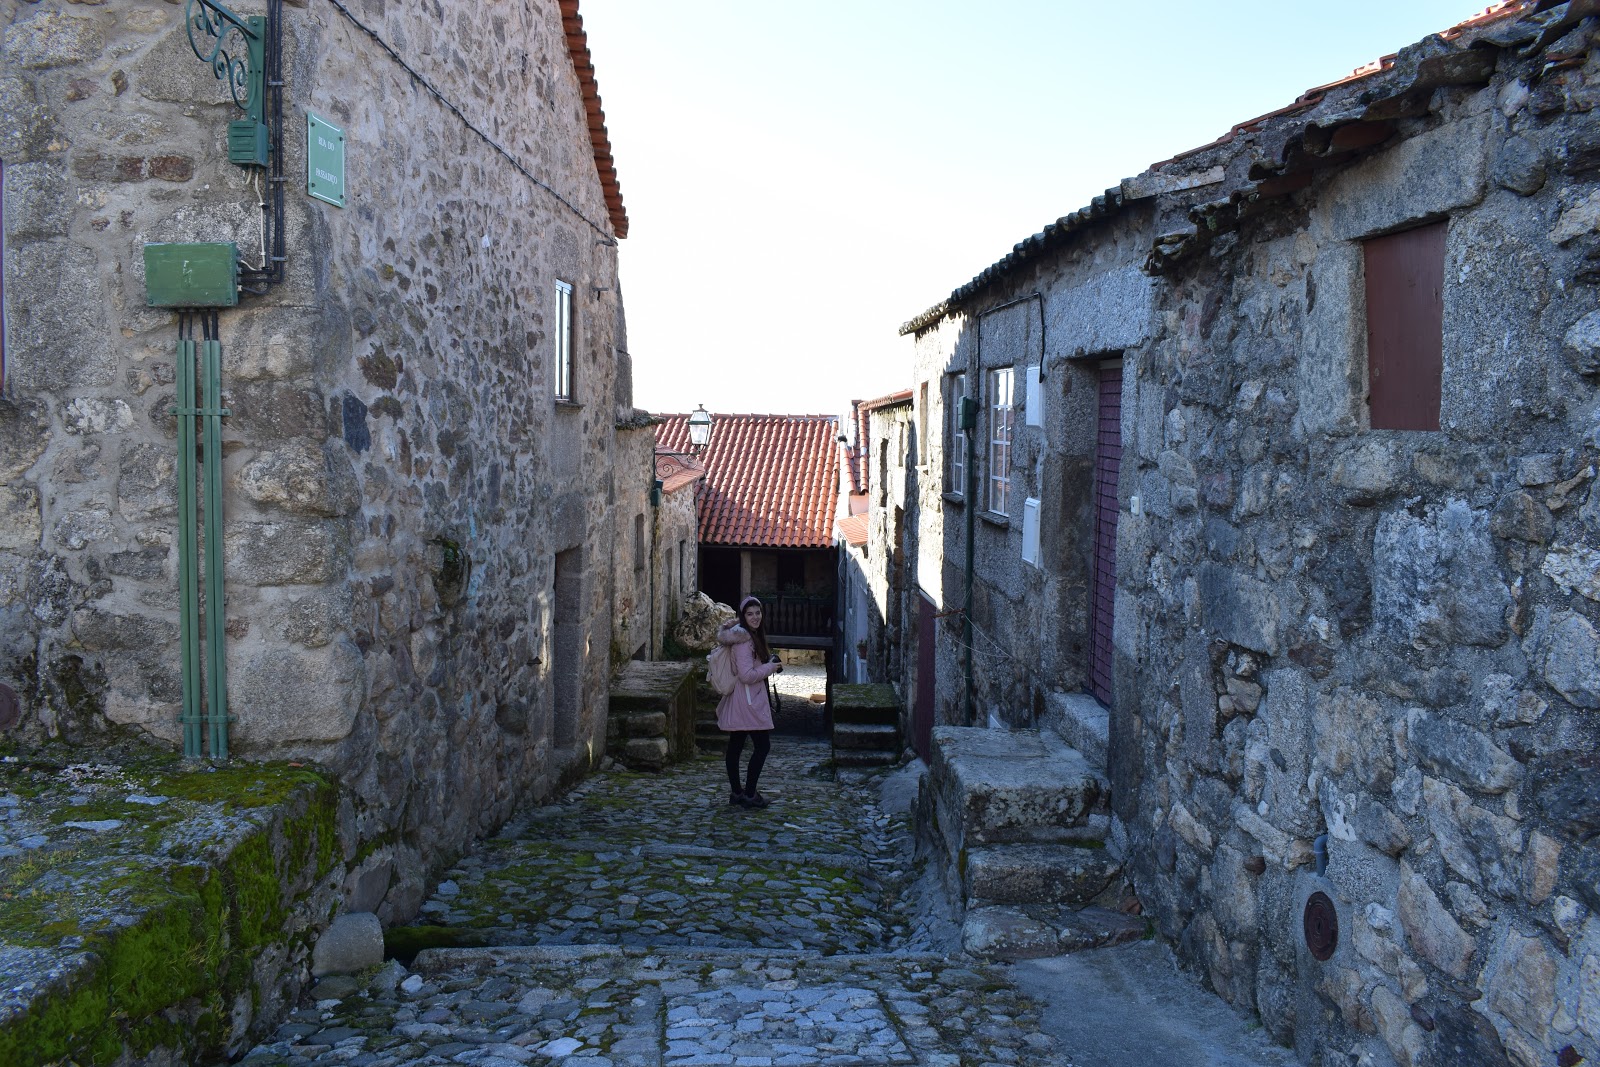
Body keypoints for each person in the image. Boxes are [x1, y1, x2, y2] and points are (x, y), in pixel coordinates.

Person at [715, 596, 782, 809]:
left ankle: (737, 793)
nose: (755, 617)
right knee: (762, 746)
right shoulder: (744, 641)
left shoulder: (749, 636)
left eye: (758, 613)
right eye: (750, 614)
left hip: (744, 698)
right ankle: (750, 794)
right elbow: (746, 675)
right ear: (743, 617)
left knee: (736, 745)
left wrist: (767, 662)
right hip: (748, 701)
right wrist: (770, 668)